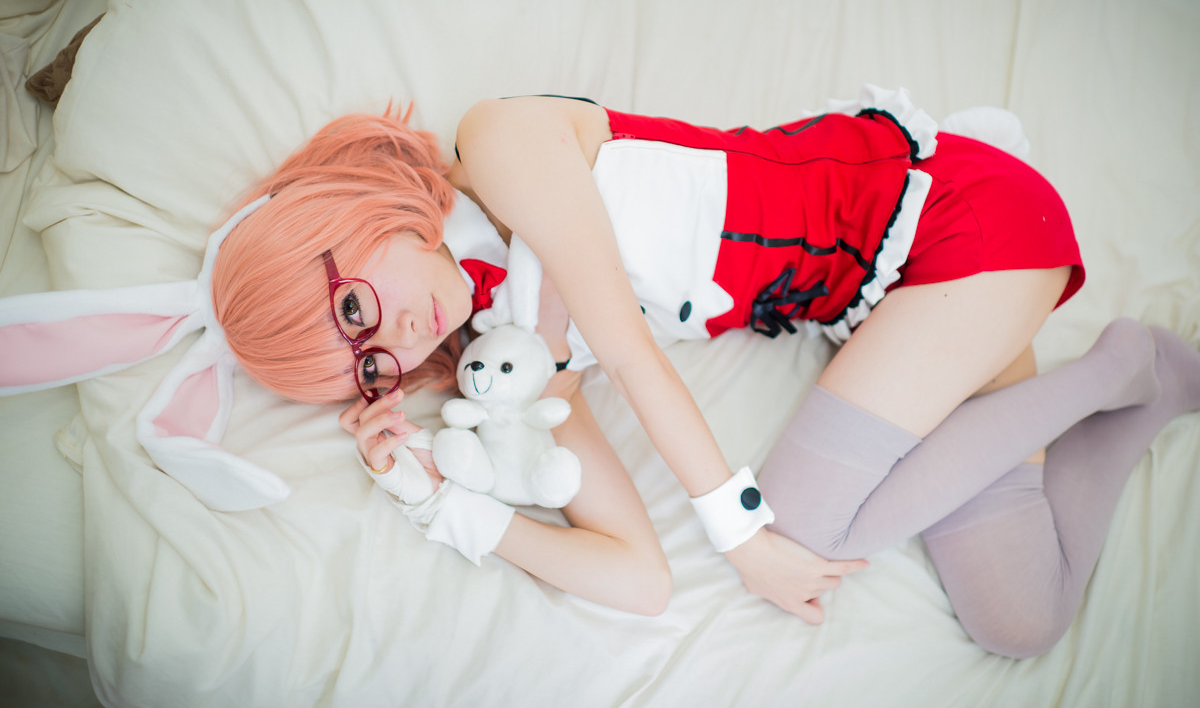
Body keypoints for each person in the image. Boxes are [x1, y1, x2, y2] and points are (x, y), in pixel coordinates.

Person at [209, 91, 1200, 657]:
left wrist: (742, 538)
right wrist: (440, 505)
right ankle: (1148, 384)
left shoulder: (501, 142)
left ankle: (1110, 368)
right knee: (1021, 621)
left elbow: (628, 348)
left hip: (953, 221)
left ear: (343, 219)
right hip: (891, 313)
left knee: (798, 523)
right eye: (366, 363)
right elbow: (639, 578)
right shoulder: (510, 356)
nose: (393, 336)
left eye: (352, 307)